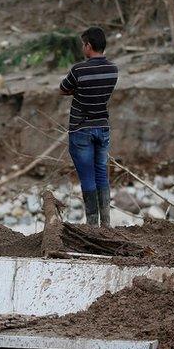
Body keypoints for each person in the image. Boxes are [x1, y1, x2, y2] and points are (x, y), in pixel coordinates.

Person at [59, 27, 119, 226]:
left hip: (81, 129)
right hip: (102, 127)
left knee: (87, 177)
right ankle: (106, 224)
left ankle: (92, 226)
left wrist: (78, 90)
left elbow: (63, 89)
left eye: (83, 44)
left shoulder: (79, 70)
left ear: (88, 46)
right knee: (102, 174)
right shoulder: (113, 69)